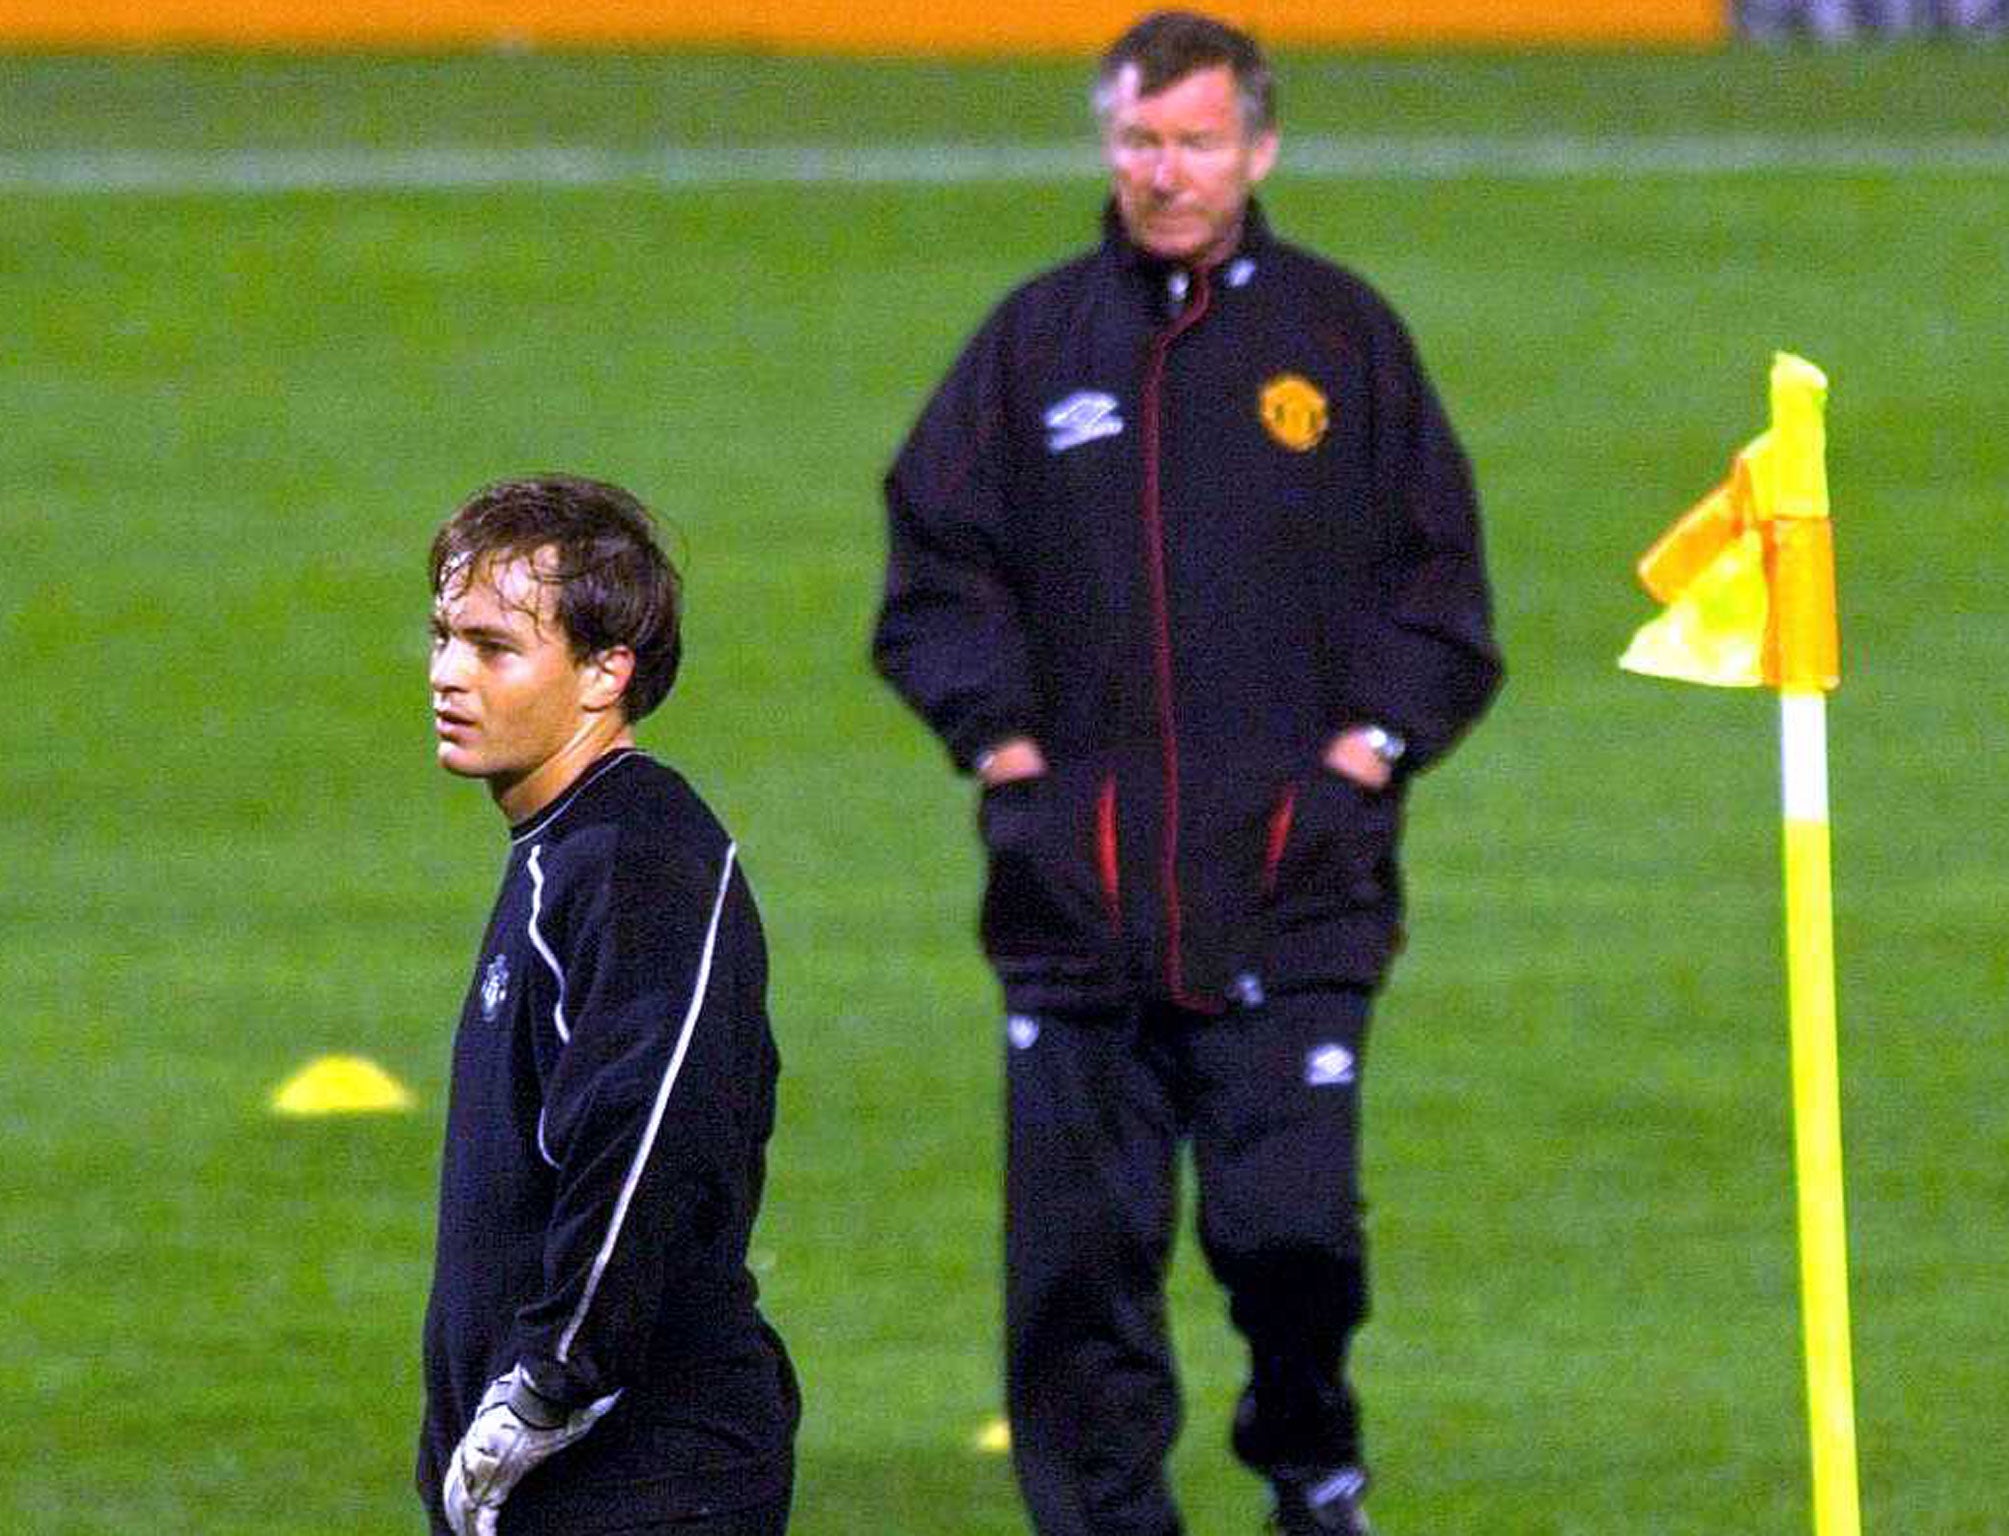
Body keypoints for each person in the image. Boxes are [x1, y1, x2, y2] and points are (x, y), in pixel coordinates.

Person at [873, 12, 1502, 1535]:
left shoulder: (1343, 342)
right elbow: (936, 574)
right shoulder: (1031, 347)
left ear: (1260, 148)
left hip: (1298, 887)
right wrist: (1008, 757)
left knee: (1291, 1236)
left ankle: (1311, 1462)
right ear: (1108, 144)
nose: (1166, 172)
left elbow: (1441, 589)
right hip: (1073, 895)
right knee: (1078, 1266)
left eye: (1197, 142)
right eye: (1140, 141)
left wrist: (1364, 759)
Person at [418, 475, 798, 1536]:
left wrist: (544, 1388)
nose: (448, 675)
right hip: (570, 1472)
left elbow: (647, 1146)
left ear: (603, 673)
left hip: (642, 1473)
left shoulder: (637, 861)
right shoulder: (565, 850)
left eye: (494, 649)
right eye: (443, 636)